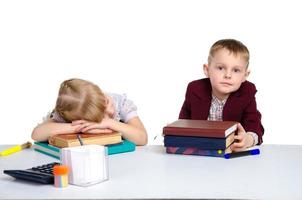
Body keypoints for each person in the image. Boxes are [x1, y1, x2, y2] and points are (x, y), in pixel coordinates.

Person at [179, 39, 264, 152]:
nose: (228, 75)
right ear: (207, 69)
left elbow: (255, 124)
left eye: (236, 70)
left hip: (231, 152)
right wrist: (175, 131)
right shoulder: (195, 89)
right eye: (220, 68)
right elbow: (183, 121)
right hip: (200, 150)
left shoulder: (247, 92)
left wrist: (248, 139)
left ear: (245, 75)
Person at [32, 78, 148, 145]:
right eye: (101, 118)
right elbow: (36, 134)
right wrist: (80, 127)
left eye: (106, 102)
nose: (111, 111)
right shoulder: (70, 114)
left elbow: (142, 138)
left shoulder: (120, 103)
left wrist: (109, 123)